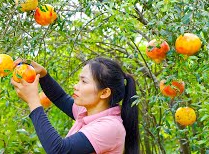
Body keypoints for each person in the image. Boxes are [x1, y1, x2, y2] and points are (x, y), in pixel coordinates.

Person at [11, 57, 139, 154]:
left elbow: (58, 150)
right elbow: (60, 98)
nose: (76, 86)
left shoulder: (110, 127)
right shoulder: (88, 111)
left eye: (84, 81)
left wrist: (33, 100)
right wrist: (43, 75)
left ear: (105, 92)